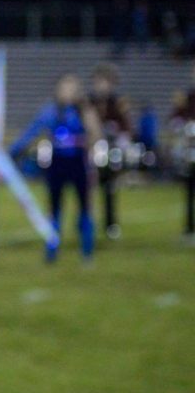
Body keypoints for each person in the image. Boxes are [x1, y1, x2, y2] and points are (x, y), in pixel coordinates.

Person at [10, 74, 102, 262]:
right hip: (58, 163)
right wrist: (12, 151)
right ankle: (52, 250)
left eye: (71, 88)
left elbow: (95, 134)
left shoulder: (84, 111)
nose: (66, 92)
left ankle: (87, 251)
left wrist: (80, 140)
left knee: (85, 208)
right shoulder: (51, 111)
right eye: (63, 88)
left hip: (78, 162)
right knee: (54, 209)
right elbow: (32, 131)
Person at [88, 63, 133, 239]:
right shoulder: (88, 102)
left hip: (110, 151)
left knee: (109, 188)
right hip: (91, 150)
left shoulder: (117, 103)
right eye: (98, 82)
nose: (100, 85)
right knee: (87, 190)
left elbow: (126, 127)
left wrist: (119, 138)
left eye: (104, 82)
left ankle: (110, 224)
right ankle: (86, 224)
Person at [170, 80, 195, 244]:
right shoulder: (189, 96)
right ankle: (189, 228)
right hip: (191, 150)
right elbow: (175, 120)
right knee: (190, 189)